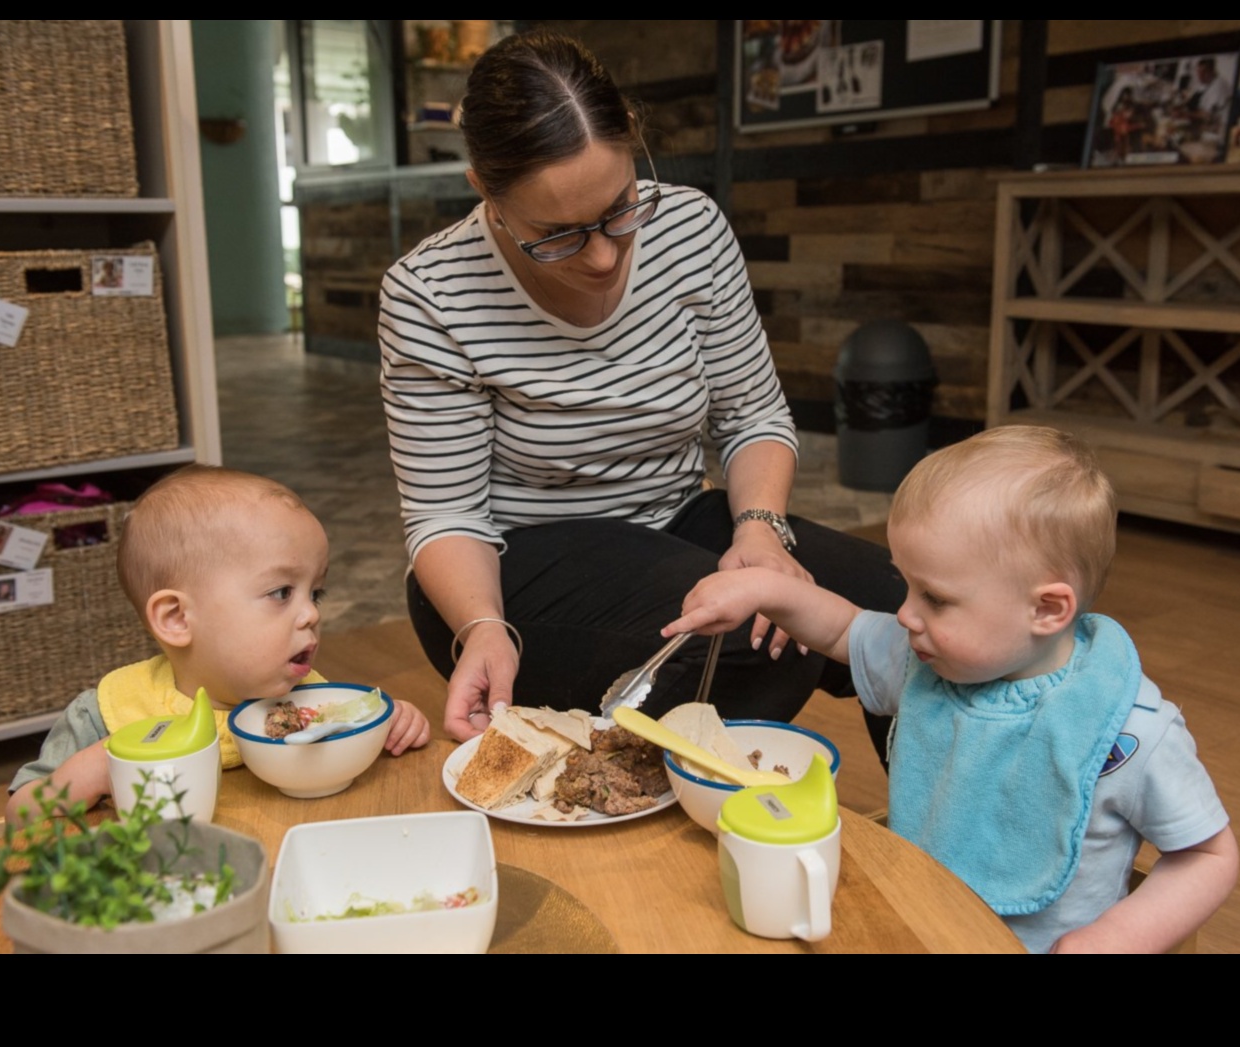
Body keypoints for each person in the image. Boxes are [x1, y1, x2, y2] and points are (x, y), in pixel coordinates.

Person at [379, 28, 903, 744]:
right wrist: (480, 625)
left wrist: (759, 528)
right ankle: (632, 825)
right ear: (486, 194)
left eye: (619, 209)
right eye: (557, 234)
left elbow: (752, 415)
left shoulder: (690, 228)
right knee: (750, 637)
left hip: (675, 517)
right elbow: (447, 515)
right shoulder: (428, 293)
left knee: (910, 612)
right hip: (511, 571)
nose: (600, 256)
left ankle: (935, 844)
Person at [664, 426, 1238, 953]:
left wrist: (1118, 937)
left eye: (934, 598)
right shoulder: (930, 661)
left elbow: (1208, 855)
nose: (907, 616)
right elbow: (841, 628)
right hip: (919, 927)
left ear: (1047, 609)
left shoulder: (1127, 732)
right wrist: (761, 587)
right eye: (906, 586)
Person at [6, 465, 431, 821]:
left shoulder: (309, 700)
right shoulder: (106, 715)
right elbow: (19, 813)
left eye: (314, 593)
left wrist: (388, 725)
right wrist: (91, 772)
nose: (312, 614)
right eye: (282, 592)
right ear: (176, 618)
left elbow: (346, 755)